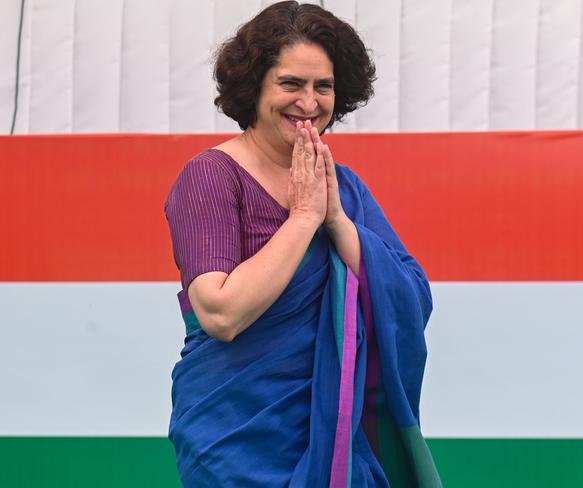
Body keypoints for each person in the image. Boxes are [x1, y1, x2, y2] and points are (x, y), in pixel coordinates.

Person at [164, 2, 442, 486]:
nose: (309, 103)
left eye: (324, 86)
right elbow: (221, 314)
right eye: (291, 84)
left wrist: (335, 219)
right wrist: (305, 218)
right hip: (235, 439)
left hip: (339, 441)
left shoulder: (344, 188)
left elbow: (412, 297)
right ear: (254, 88)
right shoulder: (210, 177)